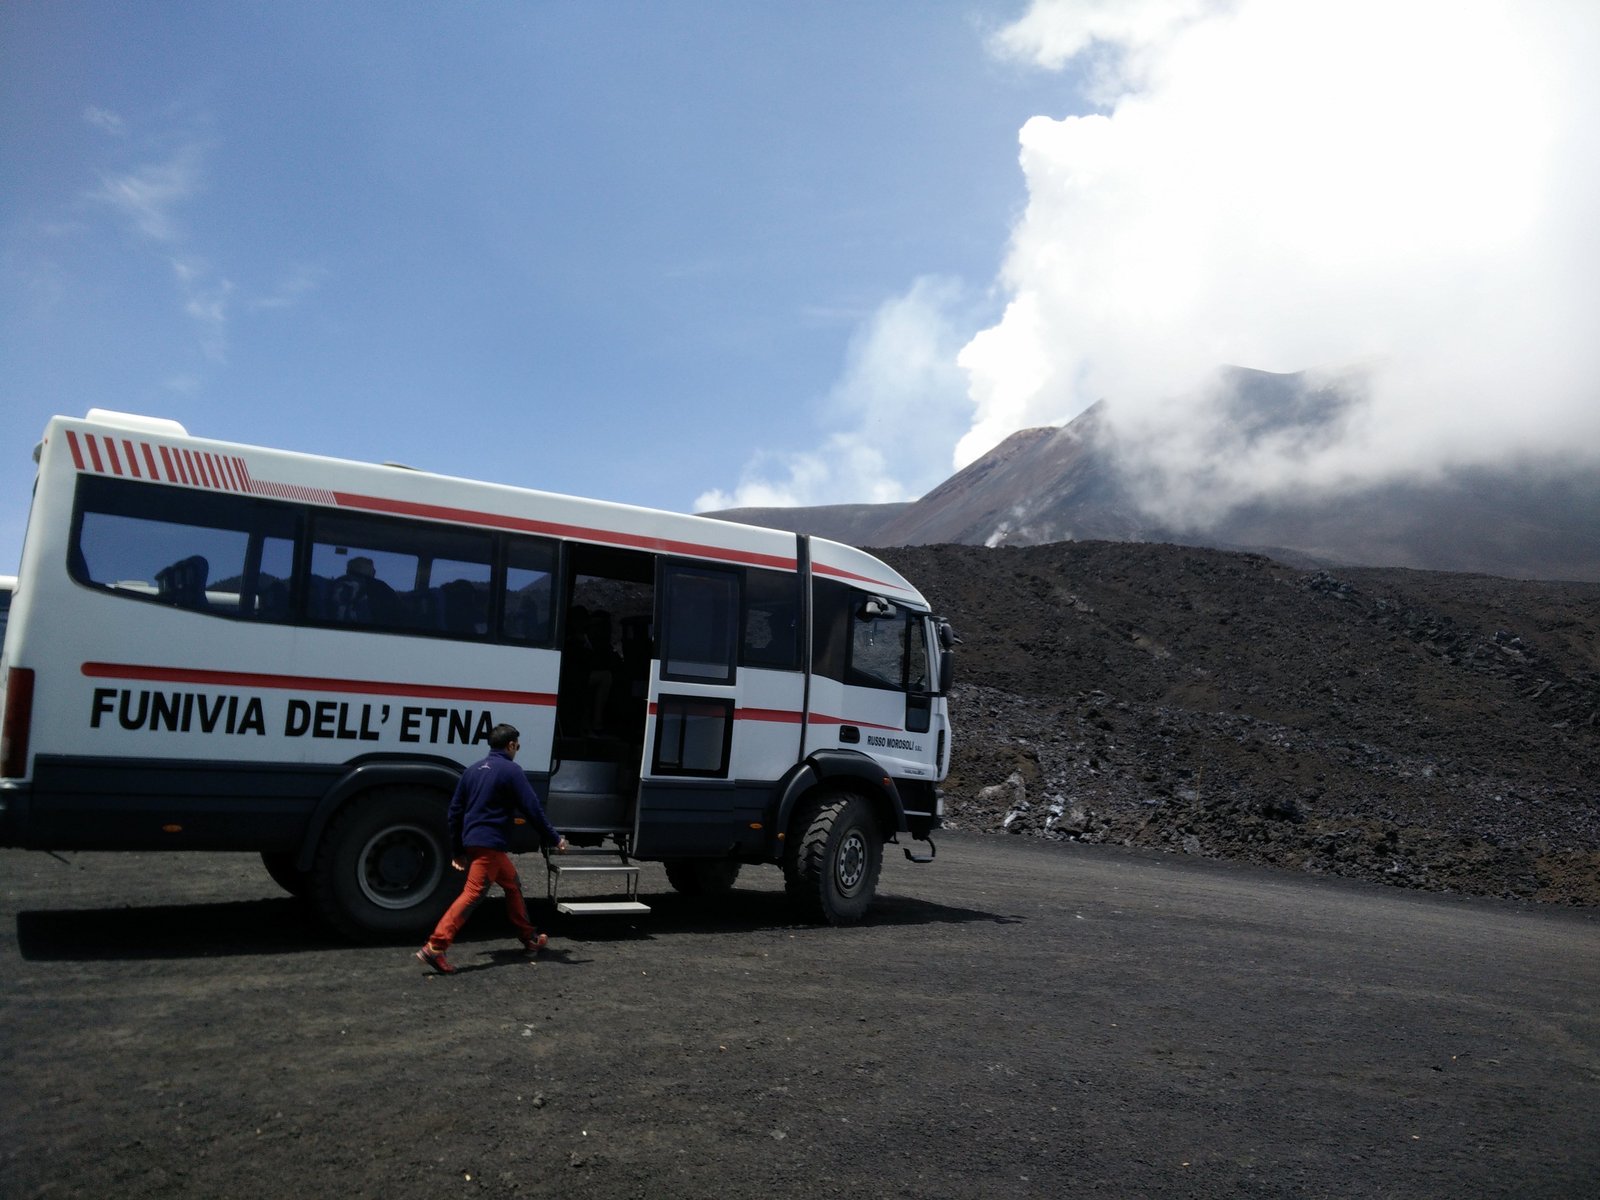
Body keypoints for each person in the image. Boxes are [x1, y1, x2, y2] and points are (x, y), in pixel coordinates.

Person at [416, 724, 568, 975]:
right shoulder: (511, 771)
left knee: (512, 883)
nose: (517, 750)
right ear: (510, 745)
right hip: (491, 844)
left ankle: (529, 937)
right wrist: (555, 839)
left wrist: (457, 850)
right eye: (517, 746)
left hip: (475, 842)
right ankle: (435, 946)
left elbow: (454, 812)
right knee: (472, 894)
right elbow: (532, 808)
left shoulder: (472, 771)